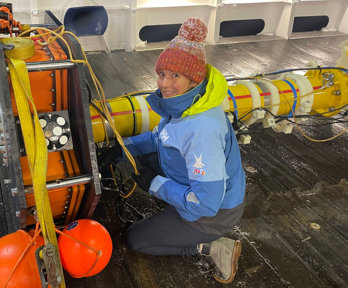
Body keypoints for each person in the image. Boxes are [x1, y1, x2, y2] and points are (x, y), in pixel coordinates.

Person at [121, 18, 245, 284]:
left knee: (136, 239)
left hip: (213, 214)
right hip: (200, 188)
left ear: (193, 80)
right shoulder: (187, 105)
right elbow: (160, 138)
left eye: (174, 76)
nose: (164, 84)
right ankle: (173, 209)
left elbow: (207, 203)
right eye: (162, 74)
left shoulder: (202, 131)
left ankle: (212, 246)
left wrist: (154, 184)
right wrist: (122, 148)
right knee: (139, 157)